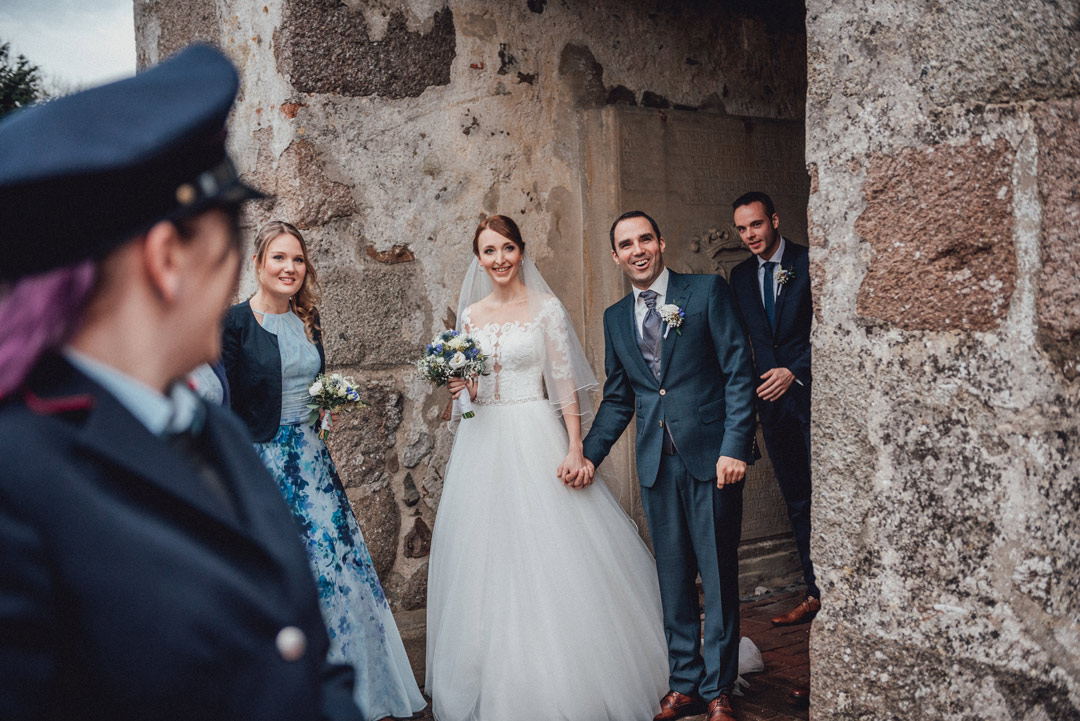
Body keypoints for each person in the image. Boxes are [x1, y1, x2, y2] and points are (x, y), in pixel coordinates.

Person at [0, 45, 363, 721]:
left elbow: (304, 658)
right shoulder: (16, 479)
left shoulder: (209, 426)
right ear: (168, 259)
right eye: (232, 247)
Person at [425, 214, 670, 721]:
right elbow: (470, 397)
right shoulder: (470, 316)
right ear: (479, 259)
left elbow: (563, 384)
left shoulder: (545, 308)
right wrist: (462, 389)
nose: (499, 259)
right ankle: (493, 675)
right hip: (481, 441)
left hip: (534, 431)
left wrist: (576, 448)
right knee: (484, 557)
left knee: (550, 550)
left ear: (521, 251)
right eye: (489, 251)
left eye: (507, 248)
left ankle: (568, 675)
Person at [221, 220, 426, 721]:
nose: (289, 268)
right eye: (279, 257)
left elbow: (314, 385)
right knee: (282, 576)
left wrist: (325, 408)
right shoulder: (234, 323)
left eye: (298, 259)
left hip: (314, 464)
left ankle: (356, 690)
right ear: (258, 263)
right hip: (264, 465)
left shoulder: (309, 321)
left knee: (338, 572)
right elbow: (223, 403)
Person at [582, 211, 757, 721]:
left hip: (713, 459)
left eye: (645, 240)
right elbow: (620, 397)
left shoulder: (705, 292)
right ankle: (684, 682)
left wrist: (735, 446)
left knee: (718, 576)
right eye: (626, 244)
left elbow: (738, 372)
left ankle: (719, 688)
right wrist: (588, 455)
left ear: (660, 242)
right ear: (615, 256)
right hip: (657, 464)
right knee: (673, 579)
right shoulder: (616, 317)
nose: (637, 250)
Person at [729, 194, 818, 627]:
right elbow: (743, 342)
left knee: (827, 496)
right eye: (742, 229)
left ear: (775, 220)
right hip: (772, 407)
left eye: (757, 225)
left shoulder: (810, 261)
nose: (750, 235)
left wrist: (794, 369)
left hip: (815, 398)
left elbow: (833, 328)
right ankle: (814, 592)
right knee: (797, 500)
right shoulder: (740, 276)